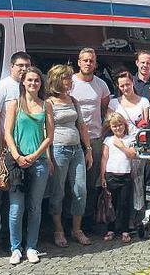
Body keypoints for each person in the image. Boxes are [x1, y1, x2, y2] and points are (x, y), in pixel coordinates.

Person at [3, 67, 54, 265]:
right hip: (17, 163)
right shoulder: (15, 104)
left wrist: (34, 155)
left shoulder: (46, 105)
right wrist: (17, 156)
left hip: (38, 162)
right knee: (16, 208)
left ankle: (31, 246)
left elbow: (49, 136)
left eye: (37, 81)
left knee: (35, 207)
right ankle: (15, 248)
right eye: (30, 80)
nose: (33, 83)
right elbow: (7, 133)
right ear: (23, 82)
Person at [45, 65, 94, 248]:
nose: (70, 82)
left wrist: (88, 149)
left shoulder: (73, 100)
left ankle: (76, 228)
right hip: (59, 149)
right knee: (58, 191)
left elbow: (82, 125)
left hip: (76, 150)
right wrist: (48, 156)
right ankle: (58, 230)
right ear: (57, 80)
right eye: (66, 79)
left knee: (80, 190)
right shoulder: (49, 102)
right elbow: (48, 131)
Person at [0, 52, 31, 247]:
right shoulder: (2, 88)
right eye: (20, 65)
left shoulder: (31, 86)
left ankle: (23, 237)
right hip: (9, 150)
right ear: (11, 66)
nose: (23, 69)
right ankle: (8, 238)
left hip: (29, 150)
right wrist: (0, 148)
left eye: (27, 65)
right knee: (10, 195)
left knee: (25, 195)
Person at [71, 48, 111, 230]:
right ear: (78, 62)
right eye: (85, 60)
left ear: (95, 64)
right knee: (71, 182)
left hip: (94, 138)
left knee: (90, 181)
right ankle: (68, 220)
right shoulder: (69, 83)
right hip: (73, 139)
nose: (88, 63)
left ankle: (88, 218)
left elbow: (104, 110)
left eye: (91, 61)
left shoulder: (101, 85)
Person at [100, 113, 138, 243]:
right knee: (111, 204)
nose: (117, 128)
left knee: (124, 204)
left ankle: (125, 230)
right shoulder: (108, 140)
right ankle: (111, 229)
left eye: (120, 125)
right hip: (111, 174)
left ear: (124, 125)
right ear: (110, 127)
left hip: (125, 175)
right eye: (114, 126)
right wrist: (102, 176)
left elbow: (132, 154)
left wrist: (121, 145)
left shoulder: (130, 139)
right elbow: (104, 158)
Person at [108, 71, 150, 136]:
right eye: (122, 86)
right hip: (120, 141)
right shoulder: (113, 103)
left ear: (133, 82)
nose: (125, 88)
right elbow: (110, 125)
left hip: (138, 140)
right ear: (118, 86)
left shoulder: (144, 102)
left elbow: (146, 125)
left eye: (127, 84)